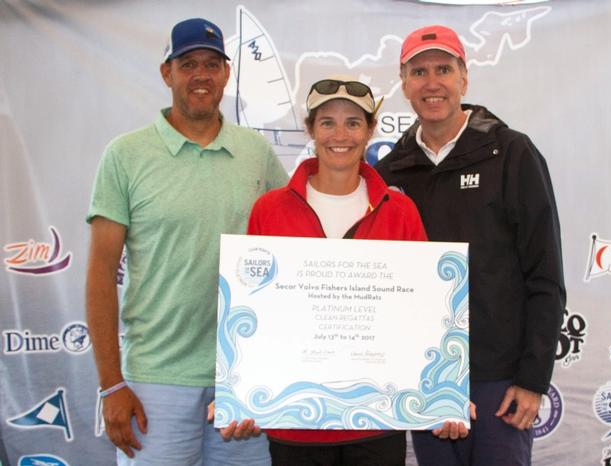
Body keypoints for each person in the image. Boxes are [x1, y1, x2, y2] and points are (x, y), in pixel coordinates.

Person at [85, 17, 288, 465]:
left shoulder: (256, 152)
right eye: (188, 63)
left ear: (226, 74)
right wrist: (112, 383)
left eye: (212, 64)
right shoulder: (126, 154)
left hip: (243, 378)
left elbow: (292, 251)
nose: (201, 75)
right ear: (167, 72)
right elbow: (101, 272)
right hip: (156, 380)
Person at [375, 25, 566, 466]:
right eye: (418, 71)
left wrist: (533, 379)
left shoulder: (512, 153)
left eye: (444, 68)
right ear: (404, 84)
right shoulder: (390, 172)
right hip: (426, 381)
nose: (432, 82)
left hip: (501, 381)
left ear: (464, 77)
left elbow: (546, 275)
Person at [246, 76, 427, 466]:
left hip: (377, 418)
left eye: (353, 122)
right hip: (294, 422)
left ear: (370, 130)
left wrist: (440, 393)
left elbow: (422, 314)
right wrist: (241, 389)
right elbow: (254, 313)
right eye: (327, 122)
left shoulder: (400, 212)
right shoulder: (269, 210)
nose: (340, 134)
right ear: (310, 129)